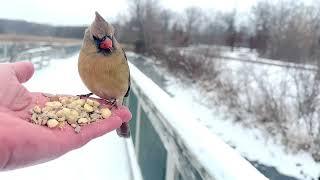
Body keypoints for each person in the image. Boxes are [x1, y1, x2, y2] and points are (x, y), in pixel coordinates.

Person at [0, 61, 132, 171]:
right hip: (88, 100)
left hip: (115, 97)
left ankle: (121, 121)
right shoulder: (85, 57)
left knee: (117, 113)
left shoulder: (117, 56)